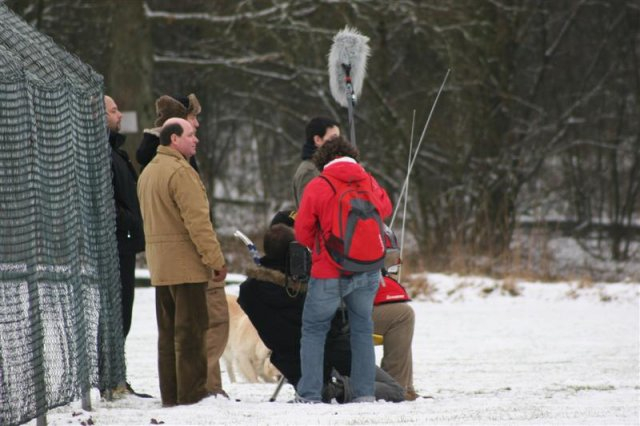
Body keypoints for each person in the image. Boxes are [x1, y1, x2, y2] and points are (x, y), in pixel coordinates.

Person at [292, 121, 419, 401]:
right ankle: (364, 394)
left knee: (314, 330)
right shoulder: (367, 180)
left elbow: (302, 232)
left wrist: (320, 248)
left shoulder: (319, 184)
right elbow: (385, 208)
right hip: (368, 269)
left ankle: (309, 394)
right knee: (362, 329)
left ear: (322, 161)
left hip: (329, 271)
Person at [237, 223, 404, 403]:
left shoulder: (249, 292)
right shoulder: (305, 290)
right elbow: (337, 325)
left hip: (294, 368)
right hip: (334, 358)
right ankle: (338, 389)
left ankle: (334, 387)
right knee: (395, 391)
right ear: (295, 251)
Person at [137, 117, 228, 407]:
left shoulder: (149, 171)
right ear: (174, 139)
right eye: (190, 134)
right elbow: (199, 224)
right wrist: (215, 260)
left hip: (161, 267)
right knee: (191, 334)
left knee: (167, 336)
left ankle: (171, 396)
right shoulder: (181, 172)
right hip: (186, 267)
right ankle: (192, 396)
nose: (196, 139)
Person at [104, 95, 149, 398]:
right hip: (115, 245)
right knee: (116, 313)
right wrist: (132, 220)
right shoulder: (101, 154)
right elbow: (106, 203)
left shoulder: (116, 153)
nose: (119, 114)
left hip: (125, 244)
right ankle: (110, 377)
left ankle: (116, 376)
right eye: (113, 110)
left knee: (124, 313)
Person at [136, 93, 201, 172]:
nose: (197, 124)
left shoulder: (182, 149)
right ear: (178, 120)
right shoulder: (162, 154)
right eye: (192, 118)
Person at [292, 116, 340, 208]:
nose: (339, 142)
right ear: (318, 140)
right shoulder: (309, 171)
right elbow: (309, 211)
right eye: (333, 138)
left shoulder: (330, 166)